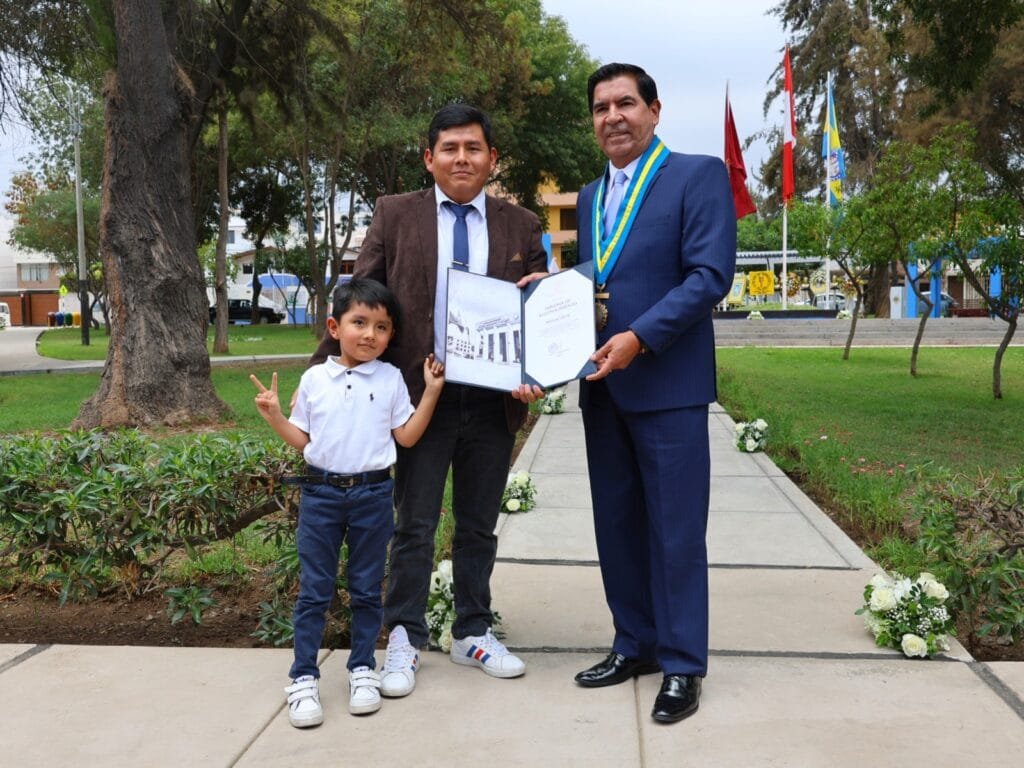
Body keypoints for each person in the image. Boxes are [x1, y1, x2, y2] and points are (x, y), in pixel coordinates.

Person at [308, 103, 549, 698]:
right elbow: (361, 294)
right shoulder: (395, 214)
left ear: (492, 159)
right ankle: (404, 637)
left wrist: (537, 369)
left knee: (478, 524)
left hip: (492, 401)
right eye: (450, 148)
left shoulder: (522, 225)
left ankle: (473, 630)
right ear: (429, 158)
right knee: (414, 525)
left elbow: (537, 314)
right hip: (418, 399)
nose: (462, 158)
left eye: (474, 148)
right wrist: (322, 372)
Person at [572, 63, 736, 724]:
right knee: (616, 526)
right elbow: (599, 276)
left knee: (675, 532)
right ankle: (633, 644)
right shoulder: (590, 194)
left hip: (667, 384)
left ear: (655, 110)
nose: (613, 116)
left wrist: (640, 337)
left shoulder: (697, 176)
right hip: (603, 387)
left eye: (626, 103)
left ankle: (682, 664)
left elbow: (709, 276)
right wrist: (549, 296)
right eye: (601, 107)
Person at [252, 277, 445, 728]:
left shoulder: (391, 378)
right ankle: (303, 677)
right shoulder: (315, 379)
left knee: (366, 589)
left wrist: (432, 391)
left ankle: (362, 669)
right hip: (321, 495)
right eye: (360, 322)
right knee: (315, 590)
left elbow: (407, 437)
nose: (370, 334)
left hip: (373, 495)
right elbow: (304, 441)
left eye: (382, 327)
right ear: (335, 327)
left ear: (390, 335)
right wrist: (275, 416)